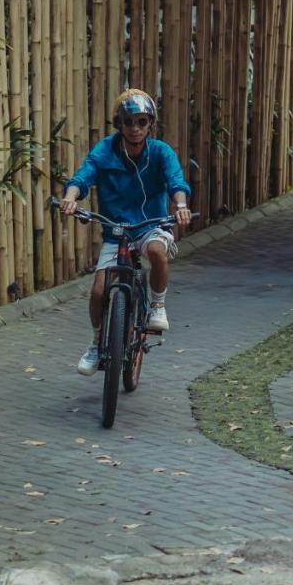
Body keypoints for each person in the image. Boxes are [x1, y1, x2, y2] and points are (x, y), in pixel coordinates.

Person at [59, 89, 192, 376]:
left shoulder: (160, 152)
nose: (135, 128)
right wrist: (71, 197)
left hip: (151, 225)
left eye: (142, 122)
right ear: (118, 123)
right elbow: (83, 176)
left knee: (157, 251)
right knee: (97, 291)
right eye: (128, 121)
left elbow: (176, 182)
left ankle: (157, 305)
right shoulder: (104, 150)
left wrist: (180, 205)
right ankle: (96, 343)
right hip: (116, 230)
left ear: (150, 124)